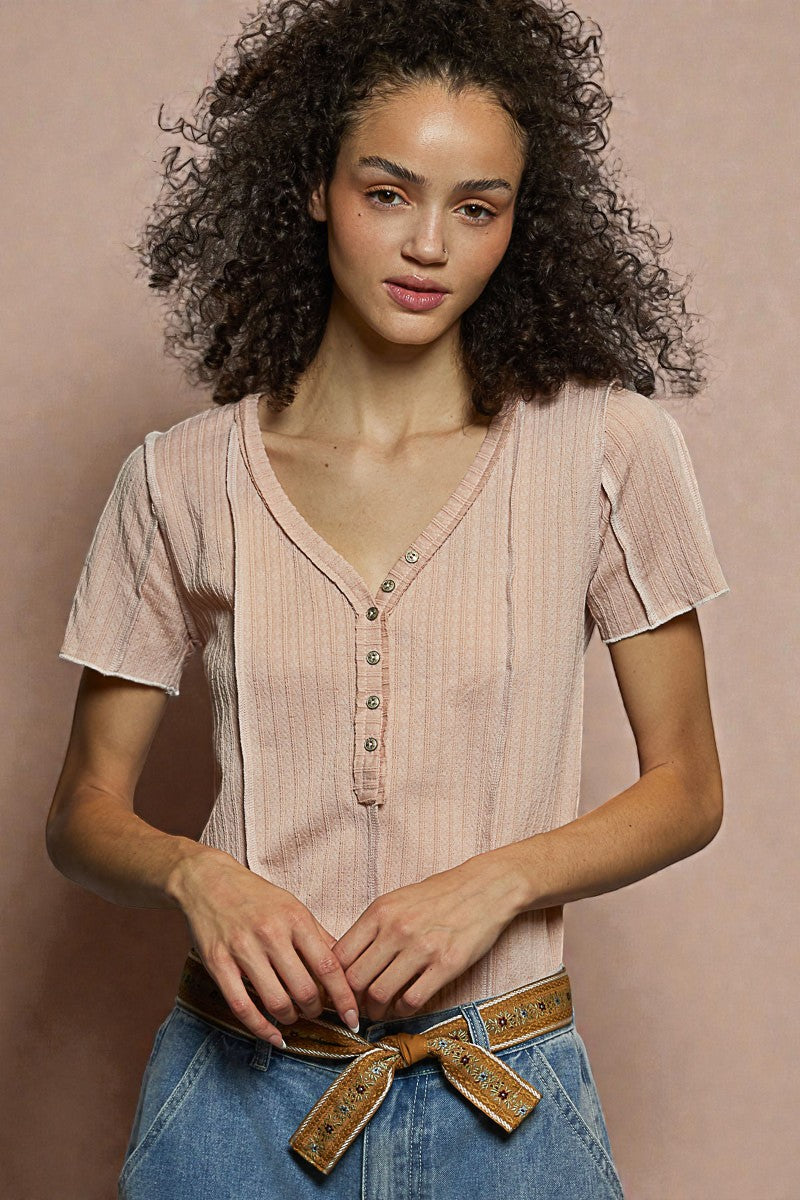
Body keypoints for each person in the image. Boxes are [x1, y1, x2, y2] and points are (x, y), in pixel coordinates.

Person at [46, 1, 731, 1196]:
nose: (427, 245)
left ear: (519, 222)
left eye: (476, 208)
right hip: (233, 1107)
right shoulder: (178, 479)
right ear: (315, 188)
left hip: (506, 1100)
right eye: (386, 193)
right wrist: (198, 875)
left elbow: (688, 787)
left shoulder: (605, 452)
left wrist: (498, 880)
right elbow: (82, 814)